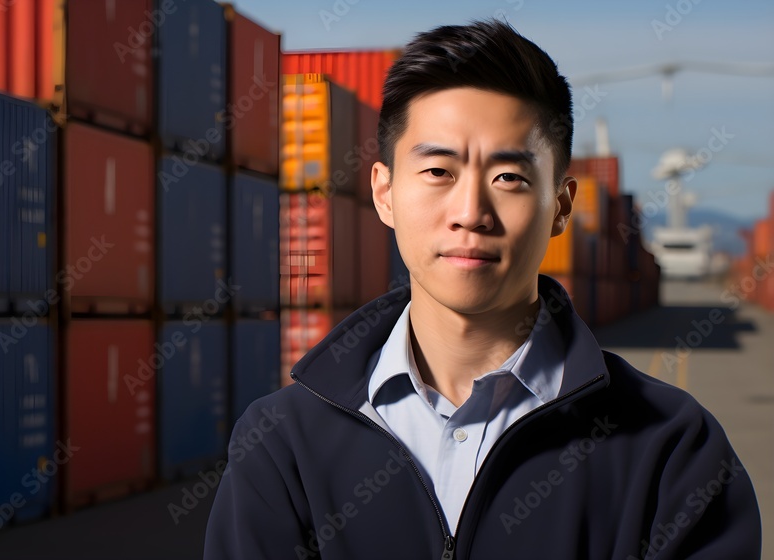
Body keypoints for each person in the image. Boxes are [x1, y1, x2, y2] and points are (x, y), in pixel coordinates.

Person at [203, 19, 761, 560]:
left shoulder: (672, 450)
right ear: (384, 193)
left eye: (509, 178)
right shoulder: (281, 444)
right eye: (439, 172)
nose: (471, 213)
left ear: (561, 207)